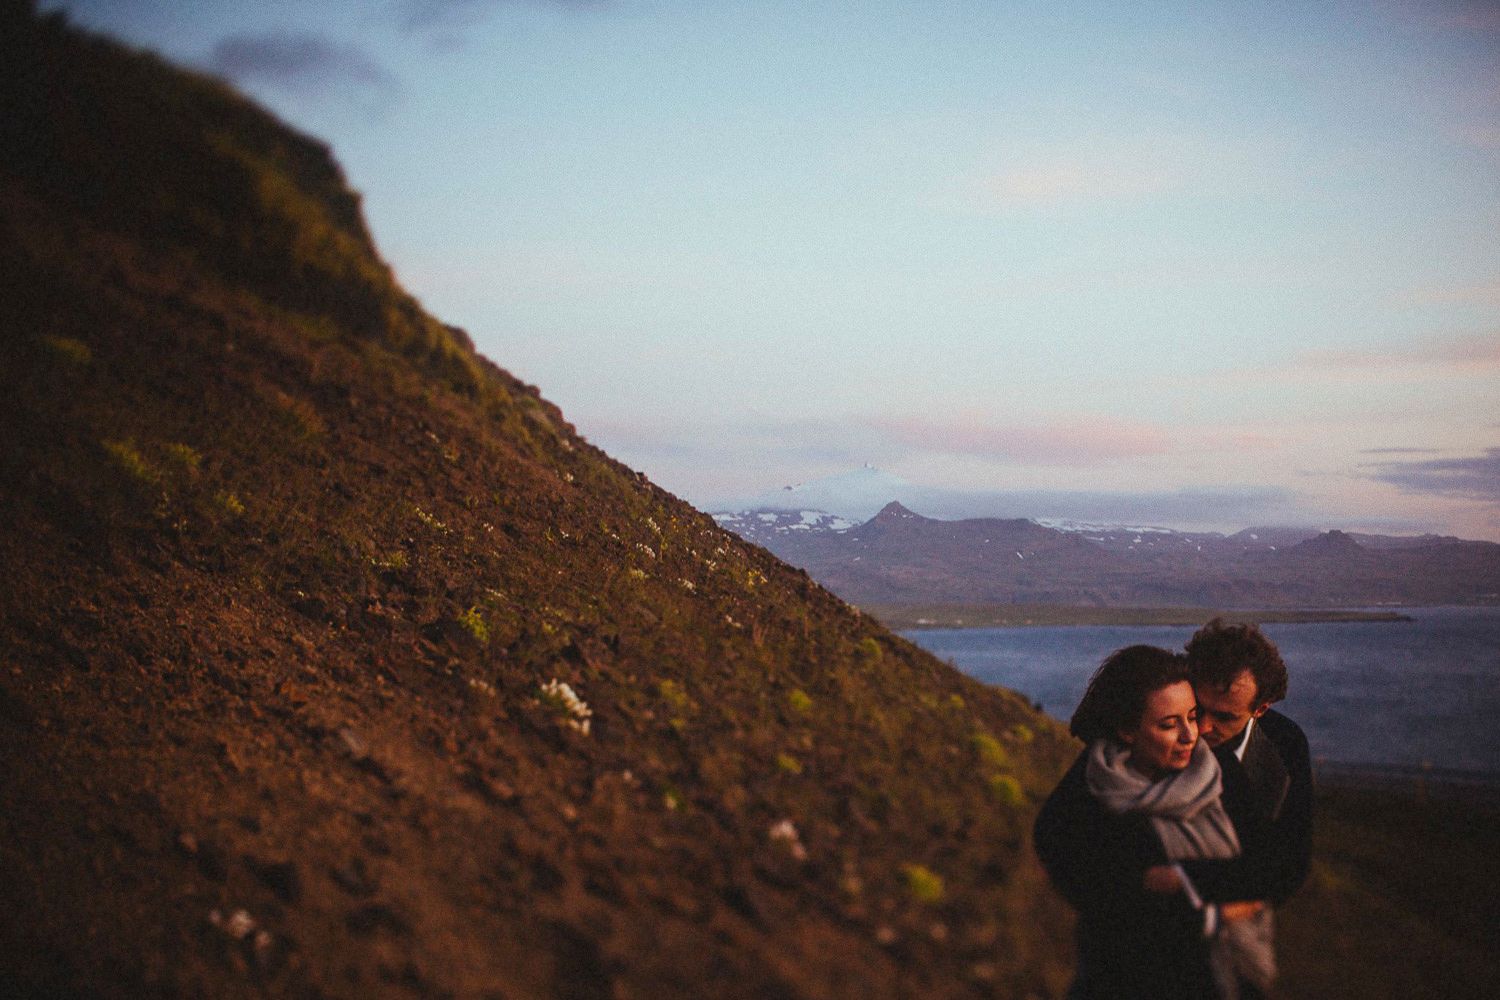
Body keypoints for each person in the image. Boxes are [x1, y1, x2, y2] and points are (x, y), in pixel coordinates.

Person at [1034, 645, 1269, 1000]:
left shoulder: (1221, 774)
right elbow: (1120, 915)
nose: (1190, 735)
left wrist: (1191, 884)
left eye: (1192, 716)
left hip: (1226, 978)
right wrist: (1218, 913)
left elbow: (1265, 866)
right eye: (1168, 725)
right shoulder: (1096, 800)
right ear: (1127, 730)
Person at [1185, 619, 1314, 998]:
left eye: (1224, 716)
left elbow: (1292, 860)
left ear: (1261, 709)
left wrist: (1228, 907)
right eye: (1198, 708)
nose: (1202, 727)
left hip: (1246, 935)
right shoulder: (1157, 731)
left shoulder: (1285, 743)